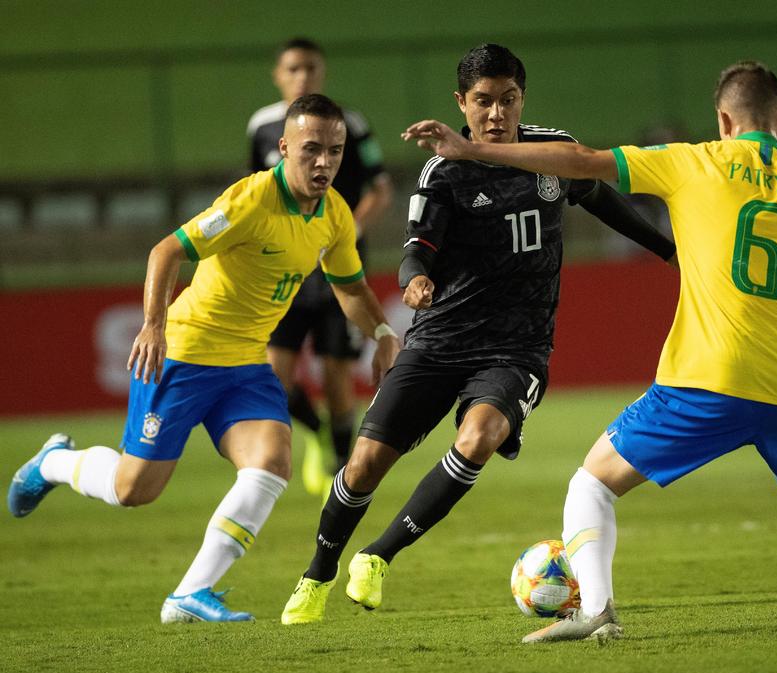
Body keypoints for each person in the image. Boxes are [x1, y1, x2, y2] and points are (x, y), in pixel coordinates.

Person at [401, 60, 777, 643]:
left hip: (706, 377)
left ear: (723, 122)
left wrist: (473, 148)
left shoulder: (692, 163)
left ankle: (597, 612)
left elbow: (582, 161)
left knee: (590, 486)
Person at [280, 43, 677, 625]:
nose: (497, 114)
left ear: (522, 99)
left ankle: (379, 556)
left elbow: (603, 200)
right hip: (440, 340)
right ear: (461, 103)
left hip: (517, 348)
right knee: (363, 464)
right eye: (484, 102)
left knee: (481, 435)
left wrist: (670, 251)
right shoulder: (446, 170)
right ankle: (317, 573)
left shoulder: (552, 153)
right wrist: (414, 282)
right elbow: (417, 251)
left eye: (508, 100)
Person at [7, 94, 400, 623]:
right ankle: (53, 462)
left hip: (245, 365)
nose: (324, 162)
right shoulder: (250, 201)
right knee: (133, 489)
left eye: (334, 151)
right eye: (311, 150)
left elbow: (349, 286)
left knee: (272, 460)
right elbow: (166, 251)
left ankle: (190, 594)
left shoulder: (332, 214)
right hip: (187, 355)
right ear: (283, 148)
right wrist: (154, 324)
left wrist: (380, 331)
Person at [248, 37, 395, 495]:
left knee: (336, 374)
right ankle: (313, 432)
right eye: (292, 69)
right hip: (284, 268)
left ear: (322, 72)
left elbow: (381, 188)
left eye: (310, 68)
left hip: (336, 267)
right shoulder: (261, 127)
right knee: (273, 376)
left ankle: (341, 463)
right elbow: (255, 190)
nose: (302, 76)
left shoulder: (348, 125)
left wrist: (344, 231)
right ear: (277, 74)